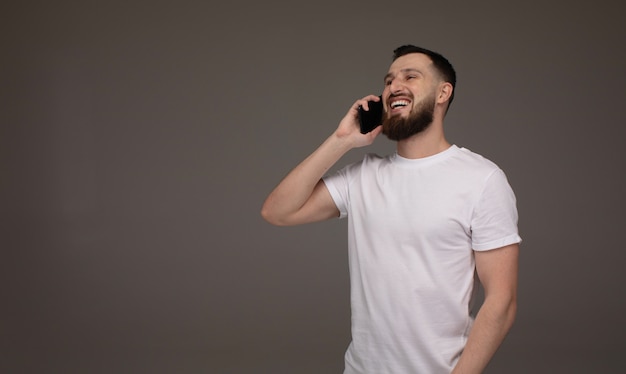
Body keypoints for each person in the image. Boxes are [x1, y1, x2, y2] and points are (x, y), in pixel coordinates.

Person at [261, 45, 521, 374]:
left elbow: (502, 302)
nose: (394, 87)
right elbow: (277, 211)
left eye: (410, 76)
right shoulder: (362, 177)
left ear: (443, 92)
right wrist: (341, 140)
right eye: (388, 81)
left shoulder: (482, 179)